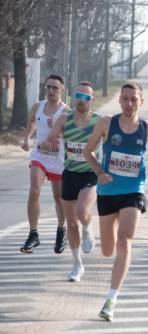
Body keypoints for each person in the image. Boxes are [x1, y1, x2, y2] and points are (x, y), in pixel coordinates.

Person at [83, 82, 148, 321]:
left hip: (133, 190)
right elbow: (89, 152)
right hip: (108, 191)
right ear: (119, 100)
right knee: (108, 250)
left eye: (133, 100)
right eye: (125, 99)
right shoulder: (106, 123)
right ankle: (91, 231)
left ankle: (111, 299)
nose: (129, 104)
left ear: (141, 102)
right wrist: (99, 172)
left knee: (125, 240)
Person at [41, 81, 100, 282]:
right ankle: (77, 264)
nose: (81, 101)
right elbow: (49, 139)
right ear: (73, 98)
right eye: (78, 96)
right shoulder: (65, 119)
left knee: (82, 211)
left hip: (90, 174)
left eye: (86, 98)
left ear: (92, 100)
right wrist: (52, 141)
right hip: (70, 173)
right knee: (71, 223)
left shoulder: (99, 122)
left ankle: (88, 229)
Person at [20, 74, 69, 254]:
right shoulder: (37, 106)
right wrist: (27, 137)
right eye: (48, 87)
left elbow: (70, 134)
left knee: (59, 198)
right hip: (39, 155)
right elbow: (33, 121)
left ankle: (61, 230)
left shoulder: (66, 112)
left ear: (62, 90)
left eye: (55, 88)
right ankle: (33, 234)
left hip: (58, 159)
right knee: (34, 190)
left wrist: (59, 137)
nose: (50, 91)